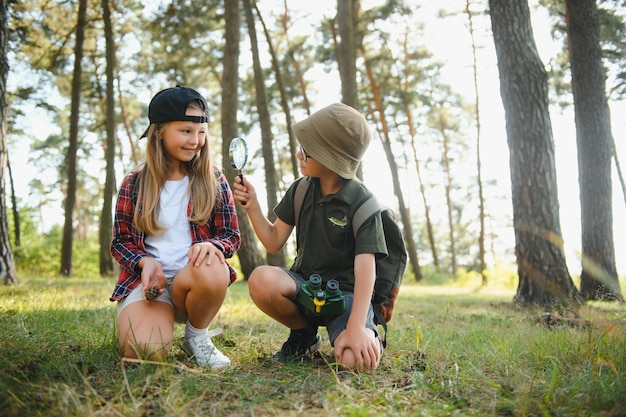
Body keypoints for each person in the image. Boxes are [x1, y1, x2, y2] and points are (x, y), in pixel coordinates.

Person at [233, 103, 387, 371]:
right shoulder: (301, 190)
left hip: (346, 299)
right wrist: (253, 206)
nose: (298, 154)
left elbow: (366, 271)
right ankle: (304, 335)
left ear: (329, 157)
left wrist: (355, 329)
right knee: (261, 279)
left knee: (355, 362)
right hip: (305, 288)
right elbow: (273, 241)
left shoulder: (363, 205)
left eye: (306, 151)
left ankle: (364, 333)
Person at [110, 86, 240, 369]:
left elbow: (230, 235)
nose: (196, 141)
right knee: (145, 353)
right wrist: (144, 263)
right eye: (186, 131)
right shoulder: (134, 183)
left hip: (192, 283)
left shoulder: (213, 178)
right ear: (159, 132)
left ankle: (196, 336)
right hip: (148, 287)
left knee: (211, 262)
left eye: (201, 133)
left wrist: (213, 246)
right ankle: (147, 320)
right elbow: (120, 242)